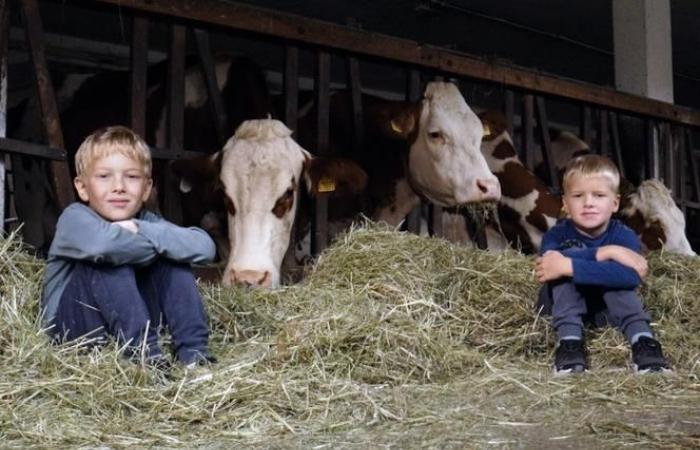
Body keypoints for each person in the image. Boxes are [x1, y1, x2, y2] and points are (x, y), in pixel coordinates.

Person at [41, 125, 217, 370]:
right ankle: (148, 362)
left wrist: (140, 228)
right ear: (82, 188)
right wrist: (159, 245)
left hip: (126, 324)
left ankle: (194, 355)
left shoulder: (146, 221)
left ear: (146, 189)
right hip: (73, 332)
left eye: (132, 177)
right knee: (111, 260)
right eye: (104, 176)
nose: (119, 187)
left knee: (172, 261)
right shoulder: (74, 218)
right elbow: (101, 244)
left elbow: (205, 247)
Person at [535, 154, 669, 375]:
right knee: (568, 274)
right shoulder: (555, 235)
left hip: (605, 314)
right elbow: (549, 267)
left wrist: (570, 263)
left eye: (598, 195)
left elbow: (630, 277)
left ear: (615, 203)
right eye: (578, 195)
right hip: (559, 310)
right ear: (565, 204)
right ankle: (569, 345)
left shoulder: (624, 236)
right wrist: (608, 253)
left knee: (612, 278)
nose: (588, 203)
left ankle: (643, 342)